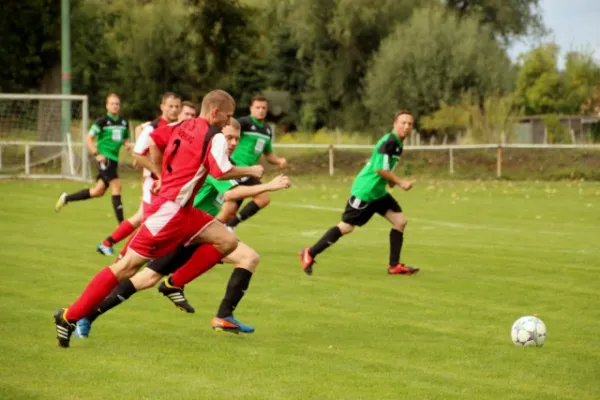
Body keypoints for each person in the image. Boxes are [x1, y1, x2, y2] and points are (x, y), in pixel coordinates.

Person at [53, 90, 264, 348]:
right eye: (228, 116)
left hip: (185, 211)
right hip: (170, 212)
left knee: (227, 241)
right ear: (216, 112)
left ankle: (174, 284)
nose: (229, 122)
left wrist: (162, 173)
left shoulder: (183, 124)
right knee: (127, 268)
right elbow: (221, 173)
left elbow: (154, 138)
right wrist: (251, 170)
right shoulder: (215, 137)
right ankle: (69, 316)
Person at [74, 120, 290, 338]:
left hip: (200, 233)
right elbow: (229, 194)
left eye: (237, 138)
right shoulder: (216, 163)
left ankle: (222, 315)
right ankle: (88, 315)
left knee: (248, 257)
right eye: (228, 137)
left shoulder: (225, 163)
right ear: (217, 136)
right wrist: (268, 186)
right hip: (181, 231)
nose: (233, 142)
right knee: (143, 278)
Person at [298, 110, 420, 276]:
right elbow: (379, 169)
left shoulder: (398, 143)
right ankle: (310, 253)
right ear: (394, 124)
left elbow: (383, 168)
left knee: (400, 221)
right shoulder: (390, 142)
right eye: (403, 123)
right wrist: (400, 182)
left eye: (409, 124)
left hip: (378, 192)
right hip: (365, 192)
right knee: (346, 227)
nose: (406, 127)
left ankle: (394, 266)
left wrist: (390, 180)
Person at [96, 94, 191, 256]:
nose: (174, 109)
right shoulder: (153, 127)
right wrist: (158, 172)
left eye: (177, 107)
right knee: (148, 222)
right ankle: (124, 257)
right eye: (170, 106)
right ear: (162, 107)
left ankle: (109, 244)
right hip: (153, 183)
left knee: (142, 218)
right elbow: (138, 153)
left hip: (168, 183)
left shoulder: (179, 128)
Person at [55, 93, 132, 223]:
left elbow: (124, 138)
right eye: (112, 104)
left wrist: (127, 144)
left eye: (117, 104)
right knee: (117, 186)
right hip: (105, 159)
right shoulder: (101, 121)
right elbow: (88, 138)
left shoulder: (124, 122)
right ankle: (122, 224)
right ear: (107, 106)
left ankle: (66, 198)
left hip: (114, 160)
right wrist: (97, 154)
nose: (115, 106)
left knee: (98, 191)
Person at [226, 95, 287, 229]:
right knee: (228, 208)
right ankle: (220, 229)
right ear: (251, 108)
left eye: (264, 108)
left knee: (263, 199)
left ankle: (230, 226)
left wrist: (278, 161)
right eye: (257, 107)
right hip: (235, 168)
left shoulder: (267, 130)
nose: (261, 110)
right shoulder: (244, 123)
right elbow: (227, 131)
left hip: (250, 172)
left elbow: (268, 153)